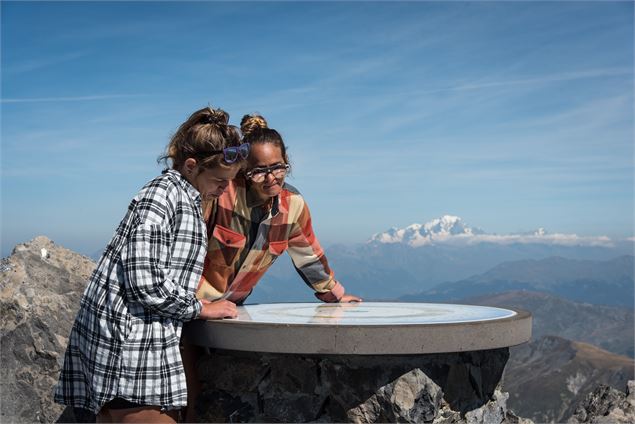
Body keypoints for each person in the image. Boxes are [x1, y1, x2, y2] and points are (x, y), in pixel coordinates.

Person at [54, 106, 249, 423]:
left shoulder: (183, 196)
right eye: (219, 179)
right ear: (190, 165)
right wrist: (200, 308)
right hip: (129, 349)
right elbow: (144, 281)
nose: (226, 189)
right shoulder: (162, 197)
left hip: (134, 345)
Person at [182, 114, 360, 421]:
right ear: (244, 170)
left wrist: (335, 295)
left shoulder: (293, 206)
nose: (270, 178)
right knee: (190, 399)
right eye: (259, 171)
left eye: (278, 167)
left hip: (229, 311)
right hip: (191, 308)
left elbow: (309, 254)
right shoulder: (221, 197)